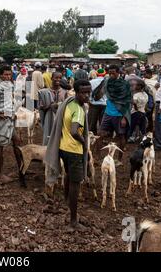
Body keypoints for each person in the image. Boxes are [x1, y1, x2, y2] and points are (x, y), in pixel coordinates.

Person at [45, 79, 92, 232]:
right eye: (83, 93)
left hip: (63, 148)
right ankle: (73, 220)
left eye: (88, 92)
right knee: (75, 184)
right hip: (74, 150)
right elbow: (74, 130)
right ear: (77, 92)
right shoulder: (78, 109)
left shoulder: (68, 103)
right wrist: (84, 141)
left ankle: (66, 203)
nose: (86, 96)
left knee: (68, 177)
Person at [96, 65, 132, 165]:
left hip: (119, 114)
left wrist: (124, 117)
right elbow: (99, 93)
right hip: (108, 112)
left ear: (118, 72)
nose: (111, 74)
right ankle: (98, 158)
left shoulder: (124, 84)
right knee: (100, 134)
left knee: (121, 136)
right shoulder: (107, 82)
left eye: (113, 72)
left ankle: (119, 160)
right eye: (109, 72)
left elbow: (128, 101)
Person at [38, 72, 68, 146]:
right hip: (49, 118)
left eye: (60, 78)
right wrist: (50, 106)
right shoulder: (44, 92)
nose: (58, 79)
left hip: (61, 118)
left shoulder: (64, 92)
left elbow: (67, 107)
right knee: (48, 136)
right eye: (56, 78)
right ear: (51, 78)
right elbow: (41, 107)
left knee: (60, 137)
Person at [88, 68, 107, 135]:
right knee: (103, 123)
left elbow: (89, 93)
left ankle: (92, 136)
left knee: (92, 123)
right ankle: (101, 137)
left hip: (94, 104)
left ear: (96, 74)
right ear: (104, 74)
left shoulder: (91, 82)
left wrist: (90, 101)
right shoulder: (108, 82)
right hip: (105, 105)